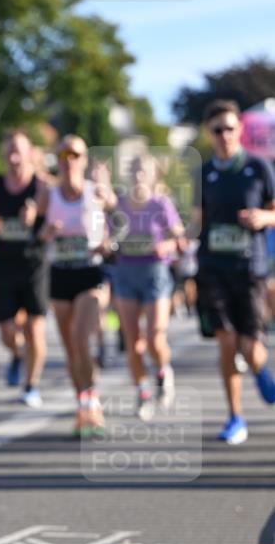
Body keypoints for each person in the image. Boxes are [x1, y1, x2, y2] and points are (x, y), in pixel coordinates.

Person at [193, 100, 275, 445]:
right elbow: (197, 219)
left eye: (229, 128)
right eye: (217, 130)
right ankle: (235, 416)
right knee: (226, 341)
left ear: (239, 129)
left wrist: (264, 218)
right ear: (209, 134)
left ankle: (262, 371)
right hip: (213, 267)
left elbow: (274, 209)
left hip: (250, 268)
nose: (224, 135)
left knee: (248, 346)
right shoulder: (203, 173)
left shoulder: (259, 167)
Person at [44, 136, 116, 436]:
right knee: (71, 348)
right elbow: (37, 232)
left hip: (90, 274)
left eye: (75, 154)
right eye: (63, 153)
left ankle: (92, 403)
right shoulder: (49, 195)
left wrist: (105, 244)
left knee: (81, 338)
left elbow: (113, 208)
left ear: (84, 160)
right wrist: (46, 232)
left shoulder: (95, 191)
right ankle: (82, 405)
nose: (68, 158)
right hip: (60, 273)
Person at [110, 154, 185, 419]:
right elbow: (105, 237)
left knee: (155, 336)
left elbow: (180, 240)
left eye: (144, 170)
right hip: (125, 273)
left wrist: (166, 245)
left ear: (154, 175)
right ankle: (143, 392)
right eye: (133, 169)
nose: (138, 174)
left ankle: (163, 371)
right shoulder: (118, 205)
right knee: (133, 342)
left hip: (155, 273)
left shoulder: (161, 204)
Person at [0, 129, 49, 407]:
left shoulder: (42, 187)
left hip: (33, 263)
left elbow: (49, 226)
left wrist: (35, 219)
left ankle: (31, 386)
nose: (13, 156)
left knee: (35, 328)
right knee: (7, 330)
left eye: (18, 150)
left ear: (30, 153)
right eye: (9, 151)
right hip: (3, 263)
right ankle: (19, 355)